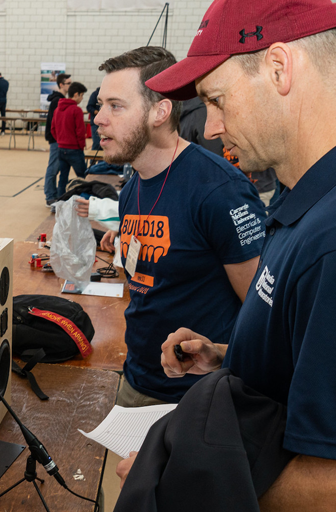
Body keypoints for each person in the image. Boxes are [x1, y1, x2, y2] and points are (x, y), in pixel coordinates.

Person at [140, 1, 336, 512]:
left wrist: (174, 479)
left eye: (217, 99)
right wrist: (230, 353)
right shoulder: (311, 195)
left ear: (278, 67)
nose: (212, 127)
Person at [89, 46, 265, 407]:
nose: (99, 119)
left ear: (160, 110)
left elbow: (264, 311)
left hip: (199, 396)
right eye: (100, 105)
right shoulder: (133, 186)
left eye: (115, 106)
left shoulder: (219, 191)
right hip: (138, 379)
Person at [51, 82, 88, 199]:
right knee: (83, 177)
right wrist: (81, 146)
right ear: (76, 94)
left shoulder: (58, 109)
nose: (82, 99)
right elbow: (80, 132)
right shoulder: (76, 110)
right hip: (75, 150)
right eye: (82, 96)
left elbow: (53, 129)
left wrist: (61, 140)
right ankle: (86, 200)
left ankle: (60, 202)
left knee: (63, 178)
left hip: (61, 149)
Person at [43, 73, 72, 206]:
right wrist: (57, 138)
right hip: (56, 139)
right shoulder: (57, 101)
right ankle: (50, 196)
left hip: (60, 139)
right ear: (61, 85)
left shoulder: (61, 99)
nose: (70, 86)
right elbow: (54, 123)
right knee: (53, 167)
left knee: (58, 167)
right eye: (68, 83)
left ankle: (54, 193)